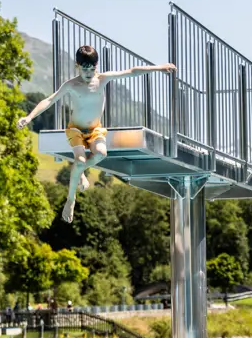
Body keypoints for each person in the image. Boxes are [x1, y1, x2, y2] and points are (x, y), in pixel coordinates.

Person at [17, 45, 177, 222]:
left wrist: (159, 67)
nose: (88, 73)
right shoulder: (71, 85)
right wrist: (29, 117)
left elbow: (131, 71)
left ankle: (80, 173)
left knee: (101, 153)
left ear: (96, 66)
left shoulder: (103, 79)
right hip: (75, 129)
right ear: (77, 65)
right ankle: (71, 199)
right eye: (84, 68)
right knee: (79, 160)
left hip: (95, 130)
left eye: (91, 68)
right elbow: (49, 100)